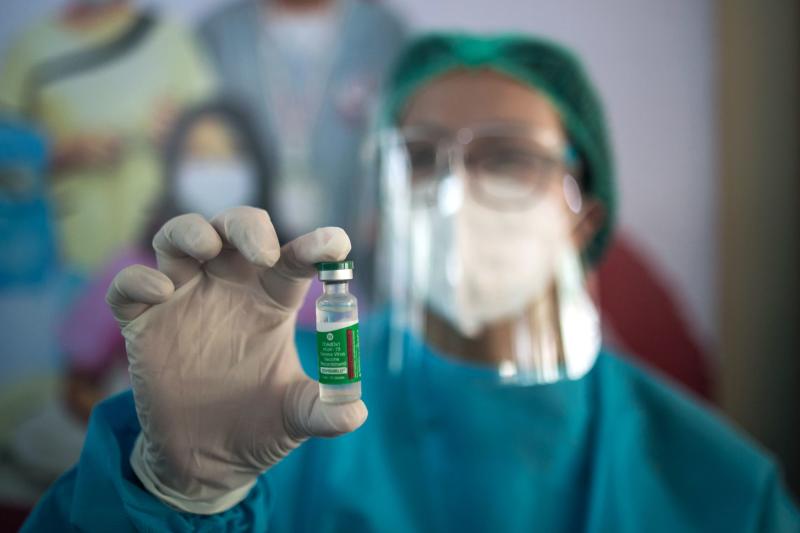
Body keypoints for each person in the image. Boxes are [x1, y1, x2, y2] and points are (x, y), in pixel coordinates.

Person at [22, 34, 799, 532]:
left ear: (584, 216)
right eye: (421, 159)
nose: (454, 192)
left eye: (505, 158)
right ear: (382, 210)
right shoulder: (267, 401)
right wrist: (173, 494)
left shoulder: (720, 487)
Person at [0, 0, 215, 274]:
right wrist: (59, 153)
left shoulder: (169, 39)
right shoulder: (30, 48)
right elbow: (7, 155)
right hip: (66, 261)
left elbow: (219, 142)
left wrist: (182, 134)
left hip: (163, 253)